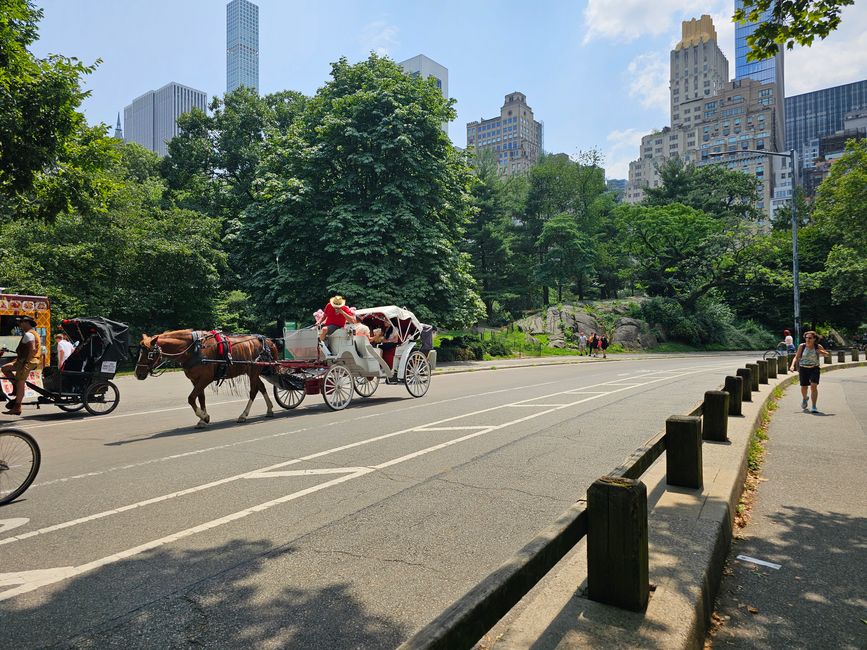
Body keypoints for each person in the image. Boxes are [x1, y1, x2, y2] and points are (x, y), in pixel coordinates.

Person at [1, 316, 42, 416]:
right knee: (5, 368)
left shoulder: (29, 334)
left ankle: (17, 407)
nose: (20, 324)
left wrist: (26, 362)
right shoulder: (32, 333)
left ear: (27, 323)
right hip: (23, 360)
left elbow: (32, 350)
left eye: (21, 322)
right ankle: (15, 386)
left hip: (27, 361)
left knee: (21, 383)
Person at [790, 330, 831, 413]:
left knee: (813, 386)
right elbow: (796, 357)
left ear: (814, 339)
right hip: (803, 368)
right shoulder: (802, 346)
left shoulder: (818, 346)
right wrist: (792, 365)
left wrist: (821, 352)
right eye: (806, 337)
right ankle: (805, 398)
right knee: (804, 387)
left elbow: (827, 355)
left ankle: (814, 406)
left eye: (810, 338)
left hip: (814, 368)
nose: (807, 339)